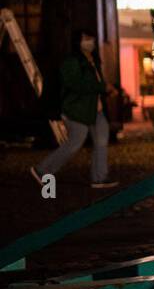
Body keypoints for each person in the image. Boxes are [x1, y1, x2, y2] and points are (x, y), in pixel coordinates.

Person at [31, 28, 119, 189]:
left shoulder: (93, 60)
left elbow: (93, 84)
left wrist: (105, 89)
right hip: (76, 109)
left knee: (101, 141)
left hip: (94, 110)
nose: (89, 41)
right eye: (85, 38)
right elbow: (76, 84)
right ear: (77, 41)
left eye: (91, 38)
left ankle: (99, 178)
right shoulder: (71, 61)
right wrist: (102, 87)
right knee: (74, 143)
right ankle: (42, 170)